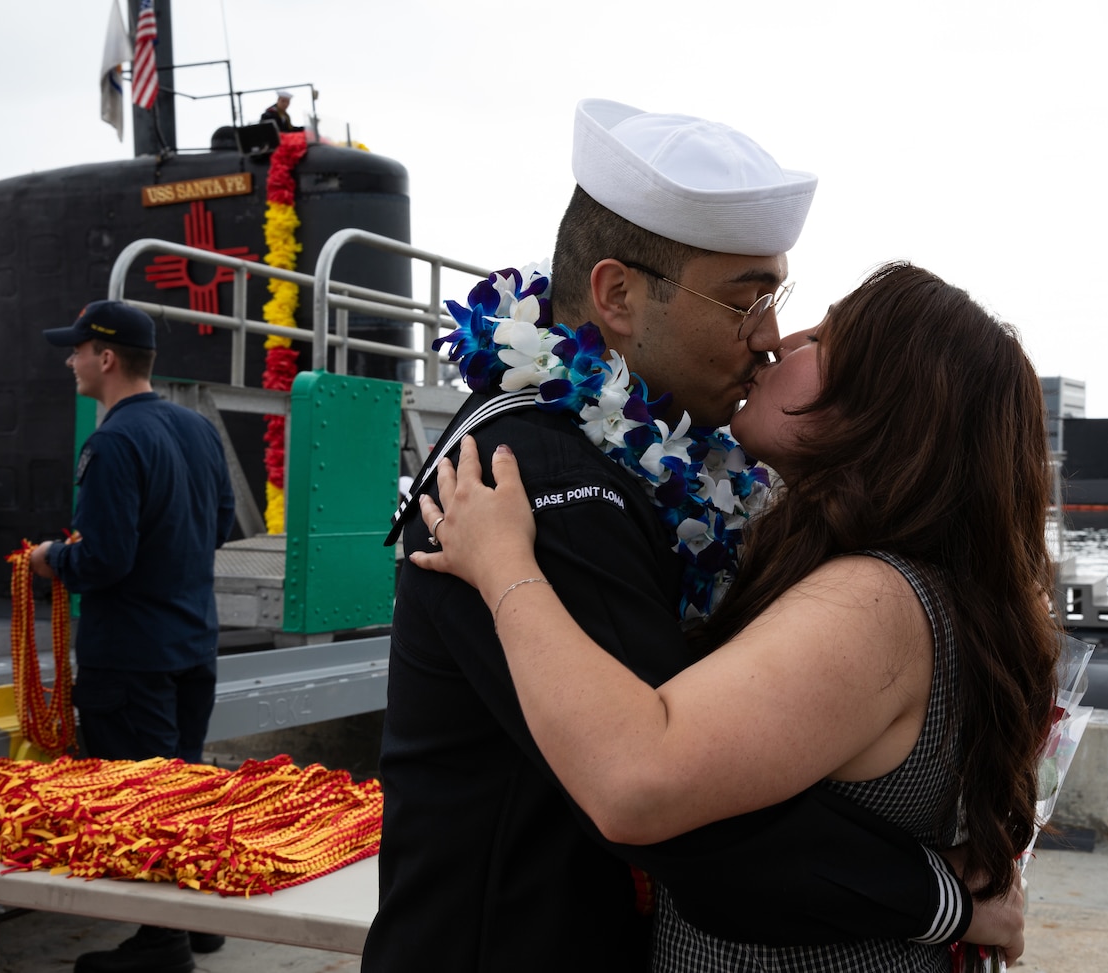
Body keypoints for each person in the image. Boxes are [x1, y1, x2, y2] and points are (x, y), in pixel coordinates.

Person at [364, 100, 1022, 972]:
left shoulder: (639, 464)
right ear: (618, 296)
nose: (771, 338)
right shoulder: (529, 475)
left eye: (779, 303)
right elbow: (682, 814)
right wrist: (942, 895)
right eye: (747, 302)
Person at [29, 300, 235, 973]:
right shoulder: (198, 429)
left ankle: (162, 945)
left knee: (143, 800)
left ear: (107, 358)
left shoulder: (114, 442)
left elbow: (104, 560)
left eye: (77, 349)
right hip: (192, 645)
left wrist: (50, 559)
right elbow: (220, 525)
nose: (71, 360)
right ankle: (197, 920)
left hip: (131, 659)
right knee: (185, 792)